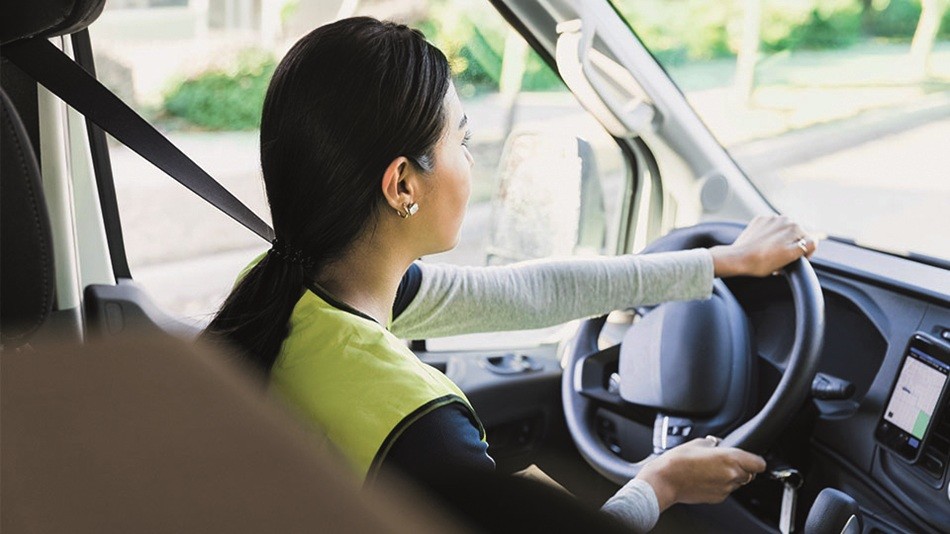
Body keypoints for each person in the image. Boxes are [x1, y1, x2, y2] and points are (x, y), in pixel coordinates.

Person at [202, 16, 817, 532]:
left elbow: (526, 293)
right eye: (461, 143)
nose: (472, 163)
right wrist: (661, 483)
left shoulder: (280, 287)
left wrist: (721, 262)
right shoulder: (418, 426)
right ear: (402, 184)